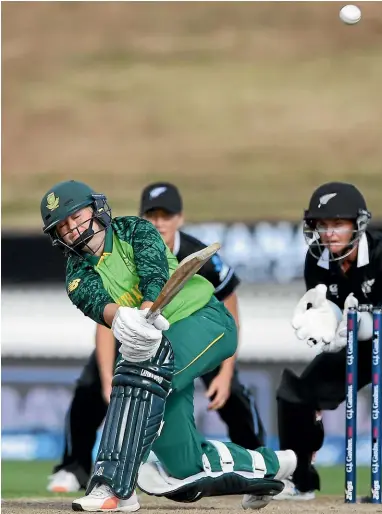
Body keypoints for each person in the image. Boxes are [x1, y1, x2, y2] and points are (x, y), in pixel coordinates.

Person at [40, 180, 296, 512]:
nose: (73, 228)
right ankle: (274, 464)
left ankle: (115, 484)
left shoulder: (134, 230)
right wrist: (121, 319)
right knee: (183, 464)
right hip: (158, 346)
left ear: (97, 208)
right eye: (63, 225)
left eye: (76, 216)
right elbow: (97, 304)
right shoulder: (76, 274)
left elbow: (154, 271)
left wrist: (147, 309)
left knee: (137, 372)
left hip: (205, 321)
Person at [275, 181, 382, 502]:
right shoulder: (317, 262)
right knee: (296, 395)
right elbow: (329, 312)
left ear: (358, 224)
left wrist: (361, 323)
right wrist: (329, 328)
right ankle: (301, 482)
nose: (329, 233)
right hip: (362, 341)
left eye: (338, 223)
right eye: (321, 225)